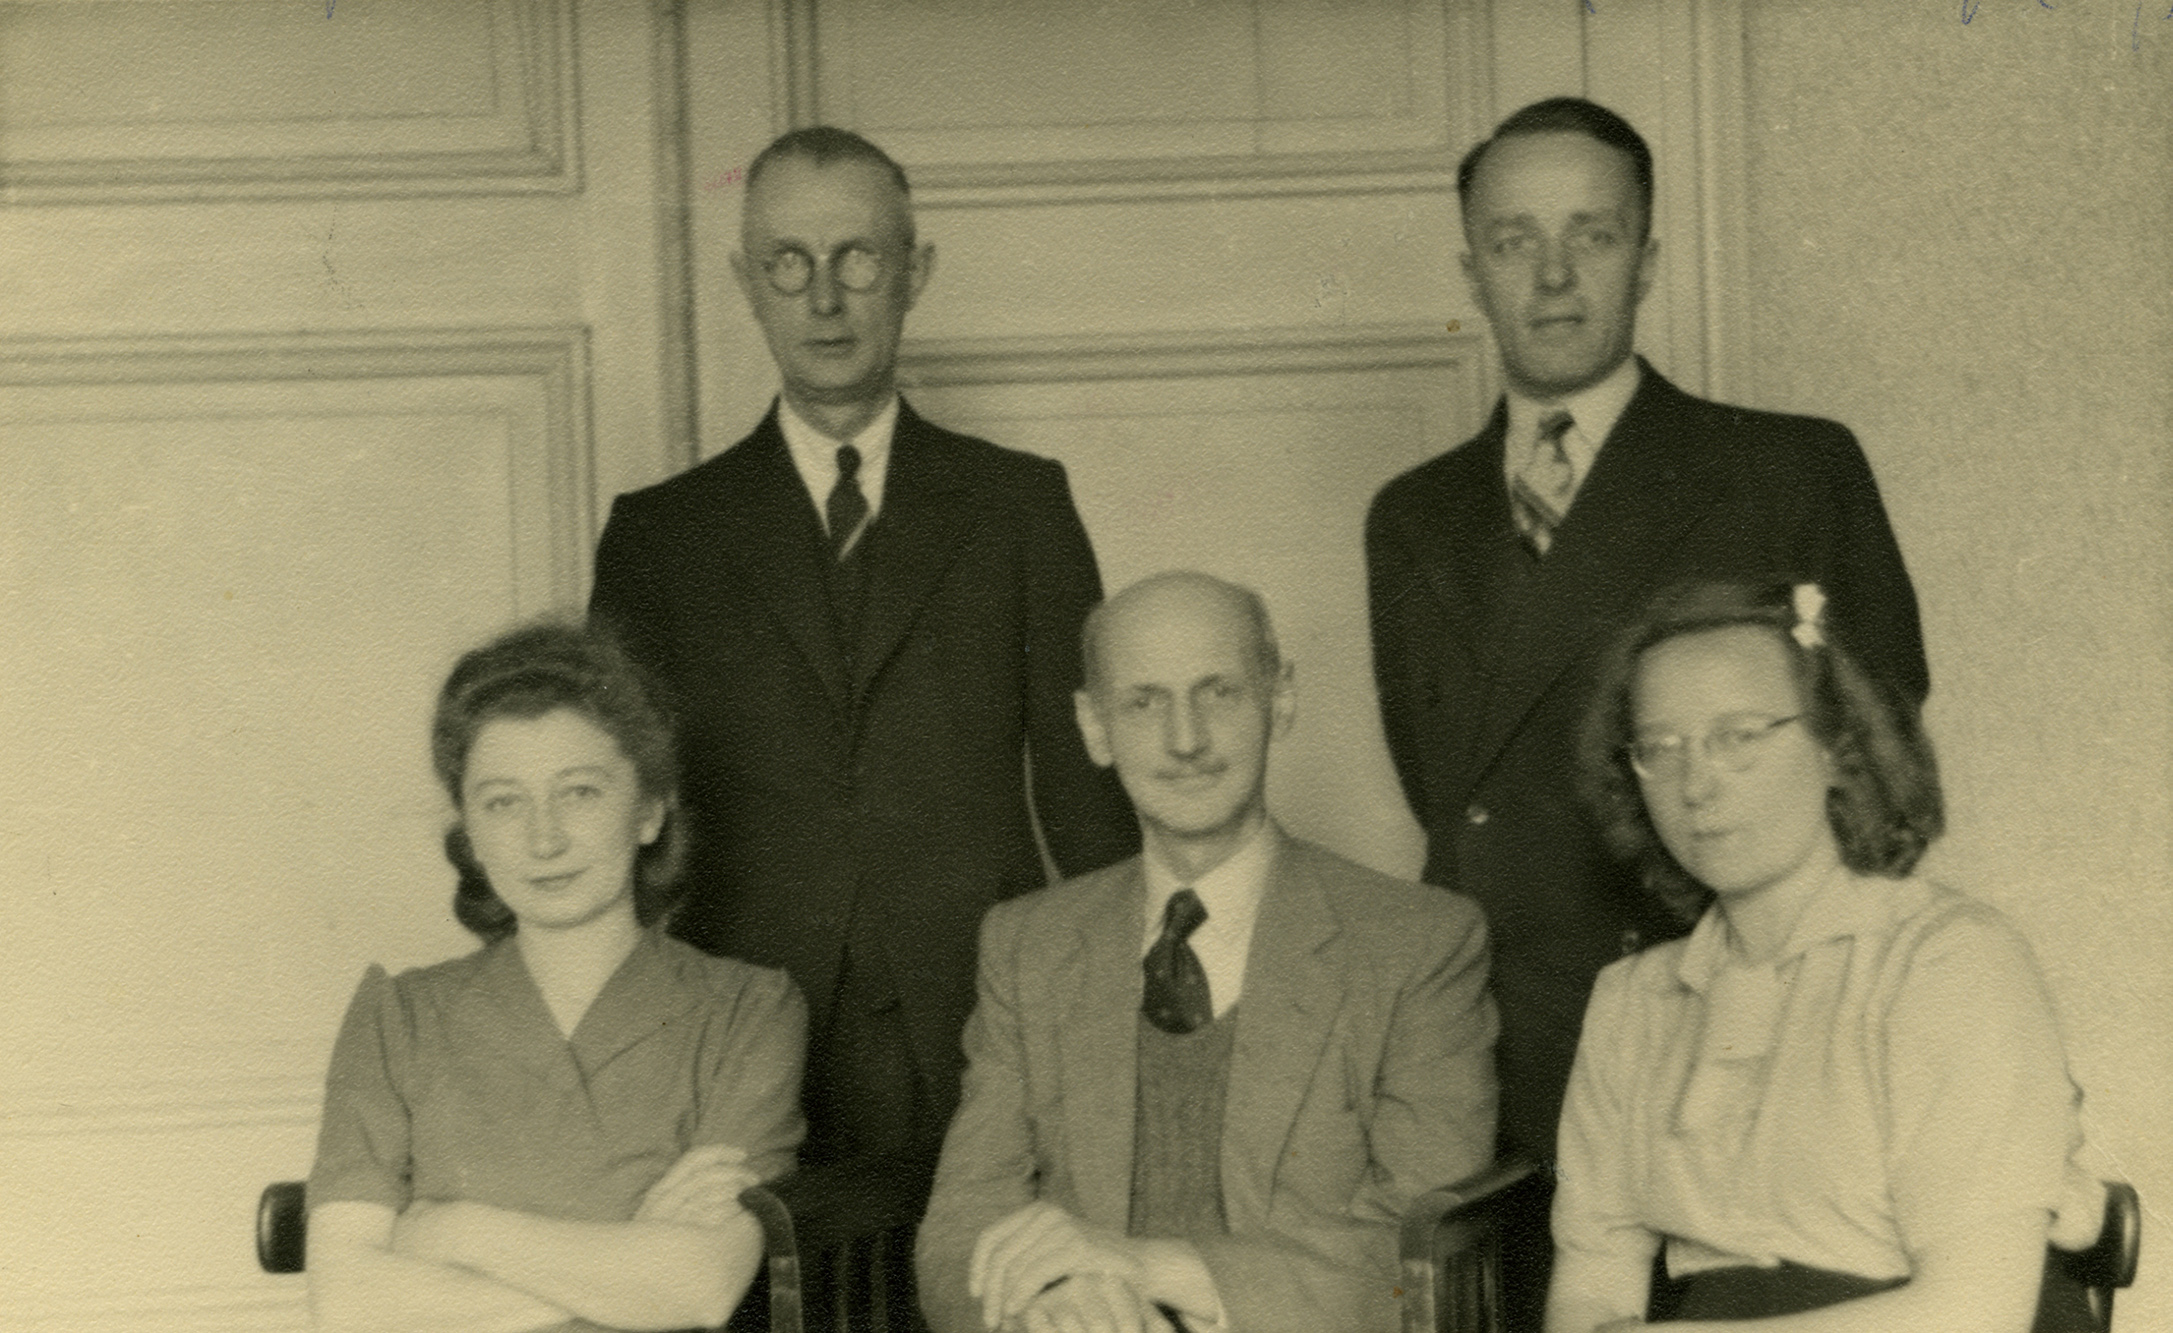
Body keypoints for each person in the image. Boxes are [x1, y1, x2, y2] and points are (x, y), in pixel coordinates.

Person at [588, 127, 1137, 1253]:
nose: (826, 298)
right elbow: (616, 829)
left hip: (980, 1020)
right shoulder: (660, 537)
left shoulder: (1018, 506)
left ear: (915, 272)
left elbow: (1089, 803)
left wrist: (1115, 1027)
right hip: (738, 1028)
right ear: (747, 282)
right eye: (788, 261)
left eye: (860, 259)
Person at [1364, 96, 1930, 1173]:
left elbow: (1877, 767)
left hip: (1733, 1023)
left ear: (1649, 258)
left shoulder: (1787, 470)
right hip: (1497, 1050)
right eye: (1512, 241)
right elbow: (1438, 782)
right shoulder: (1411, 515)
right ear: (1470, 271)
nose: (1552, 275)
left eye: (1592, 234)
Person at [917, 572, 1498, 1333]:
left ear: (1278, 698)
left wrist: (1142, 1266)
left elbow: (1420, 1256)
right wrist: (1047, 1303)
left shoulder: (1418, 941)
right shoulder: (1028, 944)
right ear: (1093, 726)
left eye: (1218, 691)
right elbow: (960, 1227)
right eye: (1143, 701)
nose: (1184, 739)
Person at [1548, 579, 2100, 1332]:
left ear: (1835, 748)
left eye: (1738, 735)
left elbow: (1978, 1311)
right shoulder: (1630, 1001)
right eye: (1658, 748)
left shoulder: (1945, 958)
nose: (1696, 784)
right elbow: (1593, 1289)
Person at [305, 622, 806, 1333]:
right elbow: (348, 1304)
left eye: (579, 792)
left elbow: (697, 1287)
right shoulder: (398, 1015)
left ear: (649, 809)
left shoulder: (749, 1011)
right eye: (503, 801)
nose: (543, 838)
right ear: (470, 833)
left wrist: (455, 1230)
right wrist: (633, 1252)